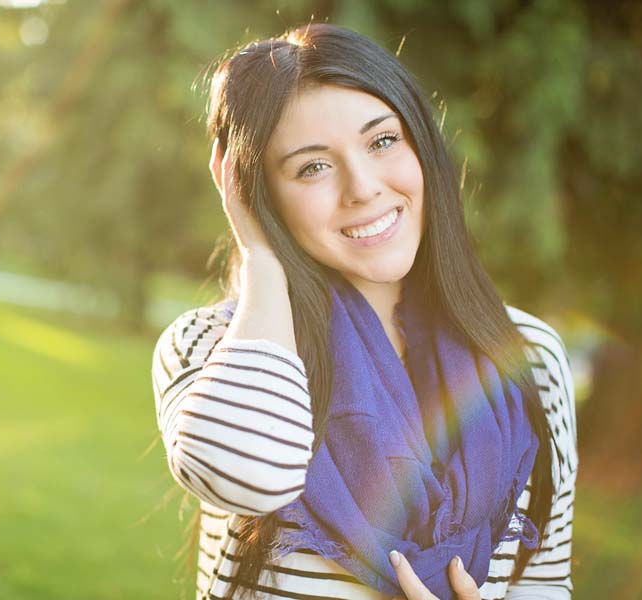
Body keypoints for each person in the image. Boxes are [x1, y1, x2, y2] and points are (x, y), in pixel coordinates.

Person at [151, 23, 577, 600]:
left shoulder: (532, 355)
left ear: (420, 144)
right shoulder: (211, 348)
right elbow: (249, 474)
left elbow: (545, 584)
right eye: (312, 167)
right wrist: (261, 257)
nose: (364, 188)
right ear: (255, 194)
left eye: (381, 141)